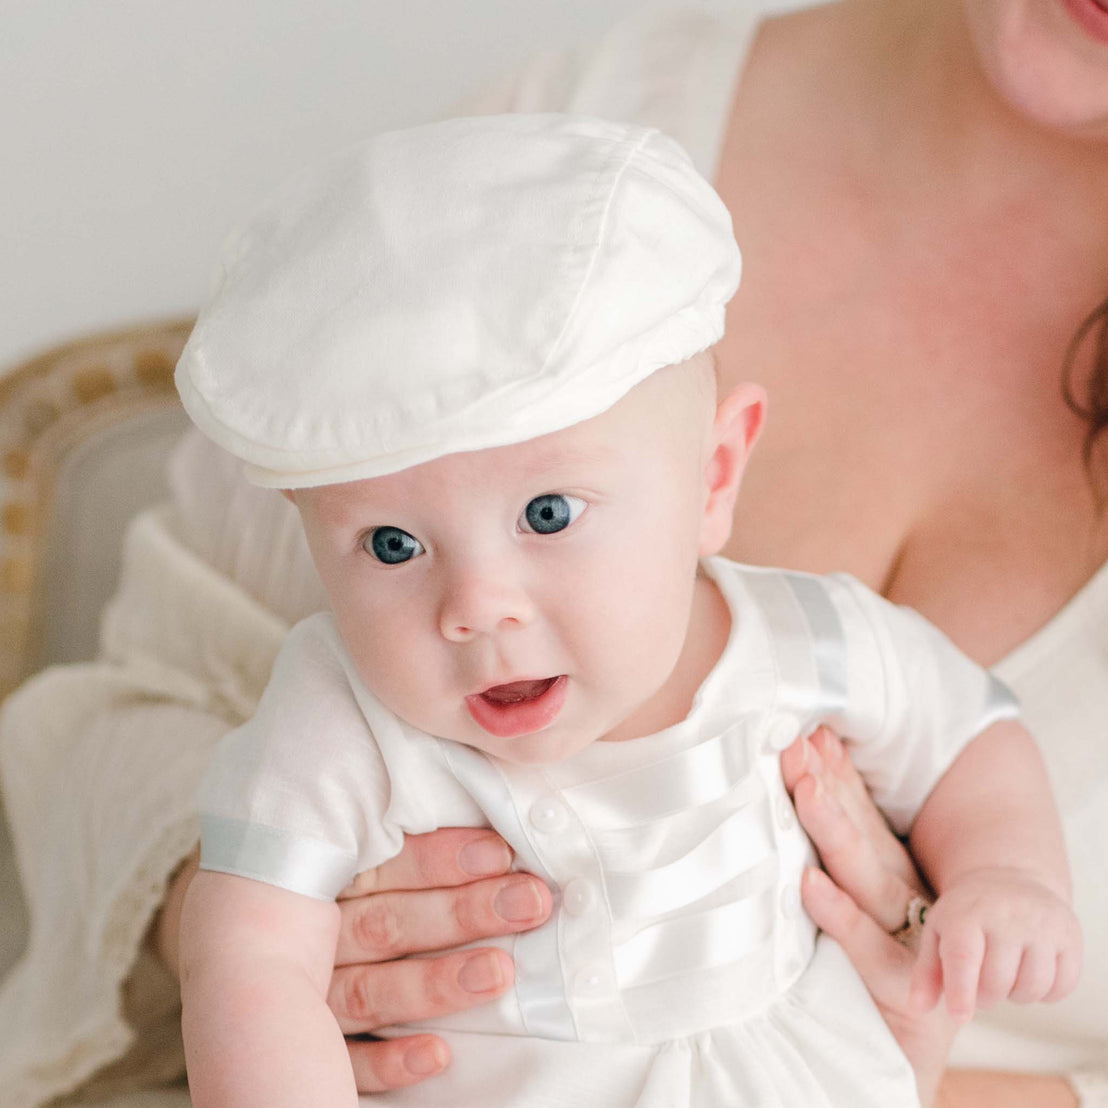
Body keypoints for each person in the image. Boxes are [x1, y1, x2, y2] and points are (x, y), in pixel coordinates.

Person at [0, 2, 1105, 1106]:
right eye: (392, 544)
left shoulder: (802, 637)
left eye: (545, 516)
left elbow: (967, 734)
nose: (474, 606)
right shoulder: (341, 718)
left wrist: (1004, 879)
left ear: (718, 476)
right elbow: (246, 953)